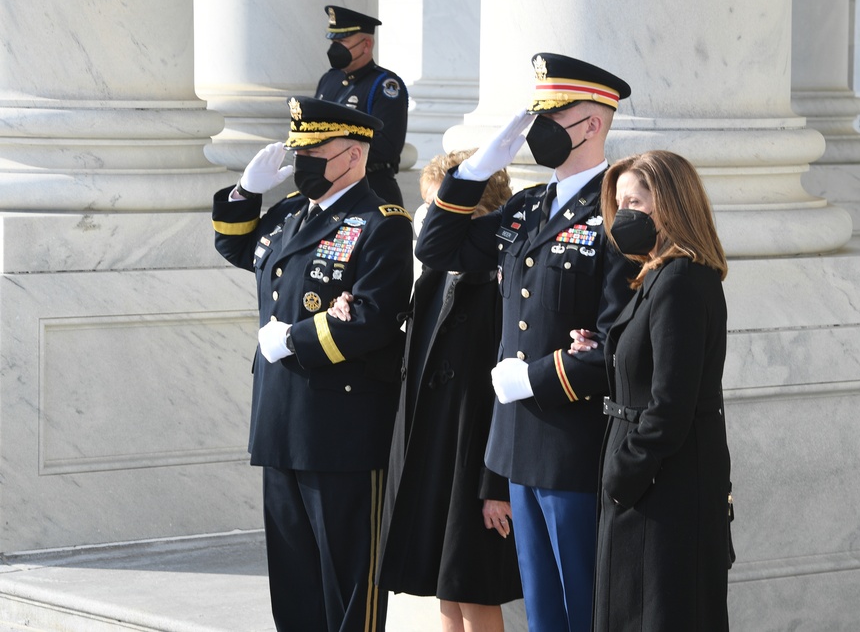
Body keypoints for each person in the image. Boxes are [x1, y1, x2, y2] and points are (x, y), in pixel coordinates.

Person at [414, 53, 636, 632]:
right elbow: (438, 248)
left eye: (553, 115)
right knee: (542, 613)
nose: (539, 129)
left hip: (574, 442)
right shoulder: (527, 209)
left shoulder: (619, 212)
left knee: (583, 607)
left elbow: (619, 344)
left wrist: (535, 378)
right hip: (516, 444)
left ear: (592, 124)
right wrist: (484, 163)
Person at [211, 96, 414, 632]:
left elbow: (373, 316)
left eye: (312, 151)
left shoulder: (380, 222)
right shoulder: (288, 215)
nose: (301, 163)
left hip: (340, 429)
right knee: (294, 576)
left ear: (351, 155)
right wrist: (246, 192)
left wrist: (296, 339)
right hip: (279, 419)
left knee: (348, 582)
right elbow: (235, 248)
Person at [331, 150, 522, 632]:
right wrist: (348, 312)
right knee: (445, 588)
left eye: (440, 205)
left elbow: (504, 393)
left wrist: (494, 485)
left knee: (473, 588)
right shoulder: (436, 274)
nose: (430, 216)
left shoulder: (503, 279)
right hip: (429, 450)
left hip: (473, 455)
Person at [570, 150, 732, 631]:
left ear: (672, 205)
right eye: (619, 204)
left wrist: (624, 474)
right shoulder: (658, 274)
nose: (625, 216)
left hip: (663, 484)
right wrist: (607, 349)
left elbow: (671, 403)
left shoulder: (681, 279)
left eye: (636, 203)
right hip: (649, 478)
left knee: (656, 614)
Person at [316, 5, 408, 206]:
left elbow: (386, 147)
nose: (335, 48)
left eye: (342, 41)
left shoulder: (385, 86)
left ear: (366, 45)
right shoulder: (328, 80)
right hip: (328, 187)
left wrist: (331, 147)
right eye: (333, 41)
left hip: (370, 188)